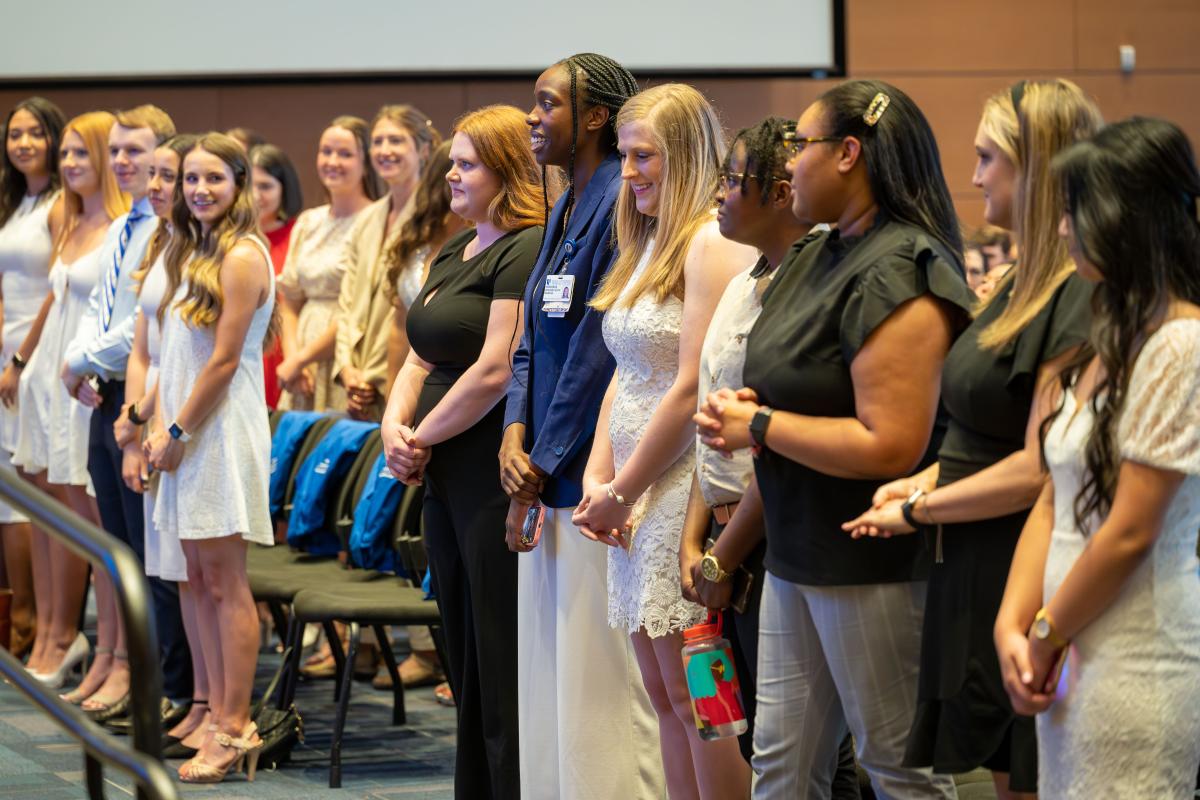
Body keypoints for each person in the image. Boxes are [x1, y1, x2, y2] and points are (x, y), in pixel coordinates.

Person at [693, 79, 975, 798]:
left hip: (870, 561)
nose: (790, 165)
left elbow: (892, 445)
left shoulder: (901, 269)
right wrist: (759, 403)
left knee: (897, 773)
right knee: (782, 768)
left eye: (802, 146)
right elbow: (801, 383)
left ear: (849, 153)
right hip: (794, 551)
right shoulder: (817, 255)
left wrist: (757, 423)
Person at [842, 80, 1101, 799]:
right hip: (974, 559)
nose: (977, 174)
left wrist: (920, 509)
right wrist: (923, 482)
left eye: (990, 158)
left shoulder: (1076, 292)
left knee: (1035, 778)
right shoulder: (1020, 279)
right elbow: (977, 433)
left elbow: (1039, 468)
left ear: (1039, 168)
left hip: (1024, 560)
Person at [994, 116, 1200, 799]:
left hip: (1135, 661)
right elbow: (1054, 495)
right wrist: (1012, 627)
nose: (1061, 229)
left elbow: (1131, 532)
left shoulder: (1179, 343)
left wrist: (1047, 634)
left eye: (1075, 211)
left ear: (1125, 219)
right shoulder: (1110, 332)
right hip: (1073, 654)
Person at [571, 82, 758, 800]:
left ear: (684, 155)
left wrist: (624, 489)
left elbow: (688, 386)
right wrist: (599, 477)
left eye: (642, 156)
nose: (628, 173)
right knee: (660, 694)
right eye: (623, 156)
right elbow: (624, 374)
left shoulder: (711, 242)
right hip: (635, 494)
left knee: (704, 700)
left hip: (682, 492)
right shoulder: (645, 240)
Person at [498, 53, 664, 800]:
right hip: (540, 466)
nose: (532, 117)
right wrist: (512, 433)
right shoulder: (565, 202)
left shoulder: (617, 204)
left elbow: (597, 351)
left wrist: (543, 455)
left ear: (594, 115)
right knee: (554, 674)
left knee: (601, 685)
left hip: (587, 474)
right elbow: (532, 333)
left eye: (546, 103)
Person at [682, 116, 860, 798]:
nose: (719, 195)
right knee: (759, 738)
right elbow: (714, 420)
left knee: (812, 752)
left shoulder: (809, 294)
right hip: (726, 536)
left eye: (731, 180)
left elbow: (773, 441)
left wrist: (722, 553)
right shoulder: (741, 283)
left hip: (772, 533)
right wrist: (697, 541)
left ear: (783, 191)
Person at [381, 104, 545, 799]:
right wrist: (394, 428)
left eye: (466, 162)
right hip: (439, 466)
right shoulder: (456, 248)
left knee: (496, 645)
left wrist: (419, 436)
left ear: (505, 170)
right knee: (461, 645)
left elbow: (496, 369)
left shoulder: (526, 243)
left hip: (485, 465)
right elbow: (419, 358)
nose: (450, 172)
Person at [145, 132, 275, 783]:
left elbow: (223, 362)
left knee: (225, 585)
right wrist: (158, 422)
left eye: (213, 179)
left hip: (218, 432)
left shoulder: (244, 254)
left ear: (239, 184)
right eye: (190, 179)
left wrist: (175, 429)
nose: (199, 190)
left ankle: (235, 726)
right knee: (197, 580)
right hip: (188, 429)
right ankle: (210, 710)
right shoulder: (193, 246)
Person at [57, 105, 193, 716]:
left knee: (148, 552)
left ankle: (163, 684)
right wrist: (82, 364)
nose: (122, 162)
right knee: (118, 545)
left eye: (135, 151)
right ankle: (131, 668)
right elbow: (99, 312)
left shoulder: (167, 230)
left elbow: (140, 326)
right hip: (105, 390)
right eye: (116, 150)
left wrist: (84, 360)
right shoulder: (123, 227)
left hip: (140, 395)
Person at [12, 111, 127, 693]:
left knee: (94, 519)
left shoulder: (123, 226)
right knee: (53, 512)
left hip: (87, 380)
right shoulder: (69, 214)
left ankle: (102, 649)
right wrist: (21, 363)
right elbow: (53, 301)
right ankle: (57, 634)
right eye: (68, 154)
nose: (70, 164)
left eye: (83, 153)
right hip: (49, 376)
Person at [111, 132, 217, 753]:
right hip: (155, 418)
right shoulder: (168, 240)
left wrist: (164, 424)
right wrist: (137, 418)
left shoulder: (205, 249)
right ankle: (193, 698)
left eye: (169, 175)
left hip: (187, 425)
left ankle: (202, 700)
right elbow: (146, 347)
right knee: (175, 573)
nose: (162, 187)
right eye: (155, 176)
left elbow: (215, 359)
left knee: (192, 574)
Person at [0, 97, 64, 661]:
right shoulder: (17, 202)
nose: (22, 143)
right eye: (14, 134)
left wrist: (21, 358)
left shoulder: (61, 204)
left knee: (27, 495)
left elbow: (54, 289)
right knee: (7, 491)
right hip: (8, 353)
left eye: (34, 133)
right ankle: (27, 618)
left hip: (36, 355)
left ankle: (37, 622)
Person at [334, 105, 441, 422]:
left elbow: (413, 309)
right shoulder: (367, 219)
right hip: (354, 380)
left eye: (396, 141)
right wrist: (346, 368)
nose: (384, 151)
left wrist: (377, 377)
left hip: (402, 374)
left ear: (422, 149)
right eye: (377, 142)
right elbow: (347, 303)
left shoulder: (434, 221)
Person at [276, 115, 378, 411]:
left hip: (346, 351)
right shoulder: (309, 221)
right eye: (326, 151)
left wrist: (302, 358)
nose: (333, 161)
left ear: (365, 162)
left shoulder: (374, 221)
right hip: (301, 356)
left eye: (345, 154)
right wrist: (294, 358)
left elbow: (356, 308)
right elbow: (291, 301)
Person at [249, 144, 302, 410]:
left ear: (284, 188)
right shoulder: (236, 241)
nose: (256, 195)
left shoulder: (299, 234)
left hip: (285, 354)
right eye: (250, 186)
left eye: (266, 186)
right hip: (247, 351)